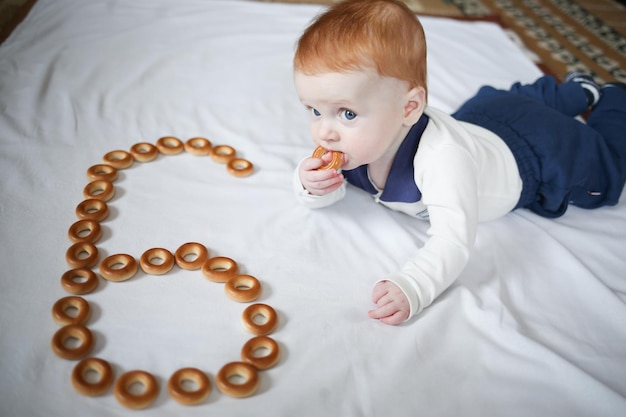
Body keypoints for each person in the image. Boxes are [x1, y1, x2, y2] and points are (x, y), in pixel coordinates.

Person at [292, 0, 626, 325]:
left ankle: (612, 97)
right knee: (511, 102)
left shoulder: (442, 160)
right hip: (483, 120)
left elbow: (452, 240)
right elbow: (328, 189)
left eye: (347, 113)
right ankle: (576, 93)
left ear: (409, 108)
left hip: (532, 155)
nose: (324, 132)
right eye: (315, 110)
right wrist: (312, 186)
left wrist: (414, 284)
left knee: (605, 173)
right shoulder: (356, 143)